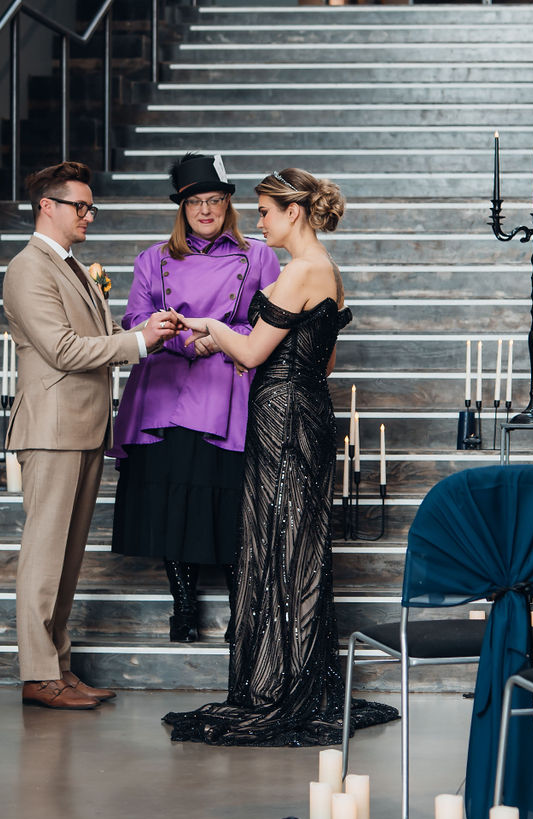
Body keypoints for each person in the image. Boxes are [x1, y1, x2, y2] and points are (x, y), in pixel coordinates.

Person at [162, 167, 398, 746]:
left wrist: (213, 329)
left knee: (276, 538)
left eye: (266, 210)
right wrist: (217, 332)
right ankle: (302, 676)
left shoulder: (298, 272)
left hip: (282, 414)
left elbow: (250, 351)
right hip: (310, 407)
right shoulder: (329, 272)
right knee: (300, 541)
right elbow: (325, 362)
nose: (259, 220)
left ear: (294, 213)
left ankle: (279, 684)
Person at [4, 160, 174, 710]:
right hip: (52, 429)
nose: (89, 216)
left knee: (68, 557)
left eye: (92, 207)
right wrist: (140, 343)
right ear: (46, 206)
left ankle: (58, 666)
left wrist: (145, 332)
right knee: (44, 556)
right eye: (81, 206)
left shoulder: (71, 265)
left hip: (82, 426)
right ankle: (37, 675)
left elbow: (94, 337)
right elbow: (63, 350)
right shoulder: (28, 268)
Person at [109, 153, 279, 642]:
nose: (206, 210)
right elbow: (135, 319)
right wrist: (184, 338)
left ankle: (238, 611)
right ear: (181, 208)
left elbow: (271, 322)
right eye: (195, 202)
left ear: (229, 204)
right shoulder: (152, 259)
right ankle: (182, 607)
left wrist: (217, 335)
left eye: (215, 200)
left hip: (226, 387)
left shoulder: (261, 257)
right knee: (171, 499)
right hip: (162, 393)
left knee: (228, 502)